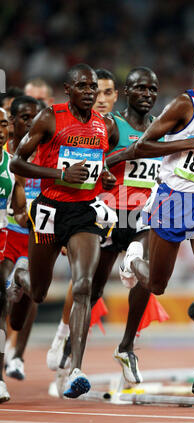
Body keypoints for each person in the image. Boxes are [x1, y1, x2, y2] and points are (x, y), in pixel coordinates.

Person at [106, 46, 194, 397]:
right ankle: (133, 261)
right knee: (156, 285)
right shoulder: (183, 105)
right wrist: (192, 140)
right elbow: (141, 146)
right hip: (173, 199)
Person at [48, 66, 162, 388]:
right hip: (110, 215)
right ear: (127, 92)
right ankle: (70, 350)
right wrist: (127, 154)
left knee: (146, 277)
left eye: (152, 90)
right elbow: (94, 161)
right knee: (92, 290)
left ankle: (126, 346)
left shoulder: (159, 128)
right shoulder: (112, 126)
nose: (147, 95)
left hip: (141, 216)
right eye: (140, 88)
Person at [10, 63, 117, 399]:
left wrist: (104, 177)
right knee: (39, 293)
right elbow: (17, 162)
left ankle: (75, 370)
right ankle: (21, 277)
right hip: (48, 209)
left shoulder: (105, 126)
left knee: (84, 286)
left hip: (84, 212)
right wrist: (58, 174)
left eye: (93, 88)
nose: (89, 92)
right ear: (68, 89)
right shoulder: (49, 117)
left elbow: (97, 165)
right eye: (82, 86)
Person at [46, 67, 119, 374]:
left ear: (116, 97)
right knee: (81, 282)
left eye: (106, 92)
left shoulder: (118, 127)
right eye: (94, 91)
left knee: (94, 287)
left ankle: (122, 351)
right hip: (76, 206)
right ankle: (64, 337)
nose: (99, 98)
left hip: (120, 209)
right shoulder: (70, 121)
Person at [3, 96, 42, 381]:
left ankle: (16, 355)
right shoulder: (4, 152)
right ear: (12, 123)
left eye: (36, 118)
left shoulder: (44, 152)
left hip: (34, 235)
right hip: (7, 233)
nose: (32, 123)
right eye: (26, 118)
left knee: (33, 294)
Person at [0, 107, 27, 402]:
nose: (0, 129)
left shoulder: (12, 165)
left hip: (2, 243)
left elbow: (20, 211)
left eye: (3, 124)